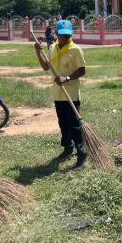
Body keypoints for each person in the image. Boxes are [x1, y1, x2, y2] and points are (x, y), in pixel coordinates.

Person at [34, 20, 87, 171]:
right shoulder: (51, 48)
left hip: (71, 93)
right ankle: (67, 148)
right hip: (58, 94)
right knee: (62, 123)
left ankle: (82, 155)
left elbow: (82, 70)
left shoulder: (75, 50)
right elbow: (46, 66)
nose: (65, 37)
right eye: (62, 34)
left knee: (75, 126)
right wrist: (38, 51)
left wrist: (67, 78)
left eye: (68, 34)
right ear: (56, 34)